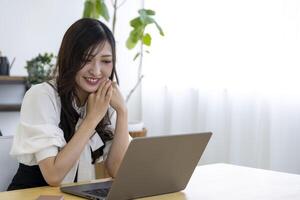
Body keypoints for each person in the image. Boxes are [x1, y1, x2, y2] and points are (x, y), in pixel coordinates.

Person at [7, 18, 130, 190]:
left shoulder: (104, 100)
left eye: (106, 61)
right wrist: (91, 118)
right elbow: (54, 176)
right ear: (69, 58)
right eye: (86, 59)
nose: (96, 70)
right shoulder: (41, 96)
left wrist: (123, 112)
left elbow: (118, 170)